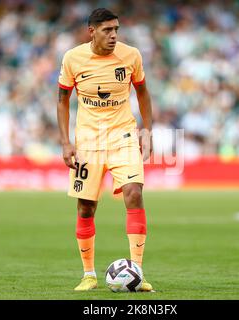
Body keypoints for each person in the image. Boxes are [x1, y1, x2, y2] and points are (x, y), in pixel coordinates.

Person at [57, 8, 154, 292]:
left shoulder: (131, 55)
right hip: (88, 140)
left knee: (134, 193)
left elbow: (143, 91)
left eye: (116, 30)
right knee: (86, 206)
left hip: (123, 135)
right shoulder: (73, 58)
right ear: (92, 32)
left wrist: (146, 130)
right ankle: (88, 274)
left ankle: (137, 270)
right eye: (107, 30)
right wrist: (65, 141)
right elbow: (62, 100)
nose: (113, 36)